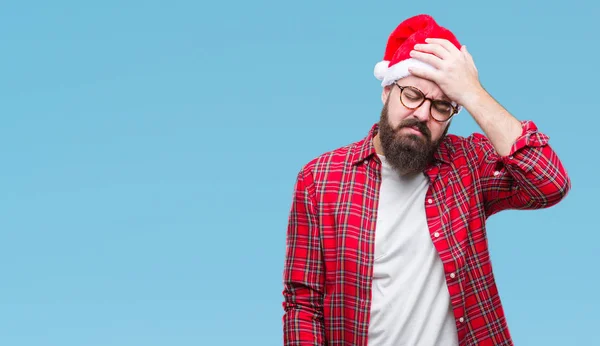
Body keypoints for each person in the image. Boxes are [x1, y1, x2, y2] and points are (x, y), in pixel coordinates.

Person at [281, 14, 571, 346]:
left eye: (441, 106)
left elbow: (550, 182)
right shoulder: (320, 180)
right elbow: (303, 304)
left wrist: (472, 93)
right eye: (413, 95)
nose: (422, 114)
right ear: (387, 90)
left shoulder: (468, 165)